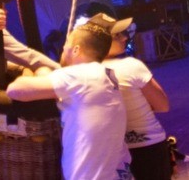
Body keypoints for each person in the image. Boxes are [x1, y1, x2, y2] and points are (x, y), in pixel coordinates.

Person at [7, 14, 132, 180]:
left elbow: (15, 90)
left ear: (76, 50)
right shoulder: (105, 74)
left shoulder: (79, 74)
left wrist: (28, 72)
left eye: (66, 44)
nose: (63, 49)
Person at [103, 16, 171, 180]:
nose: (125, 37)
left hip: (113, 153)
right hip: (149, 146)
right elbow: (163, 105)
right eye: (117, 35)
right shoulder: (131, 66)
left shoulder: (82, 73)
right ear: (100, 42)